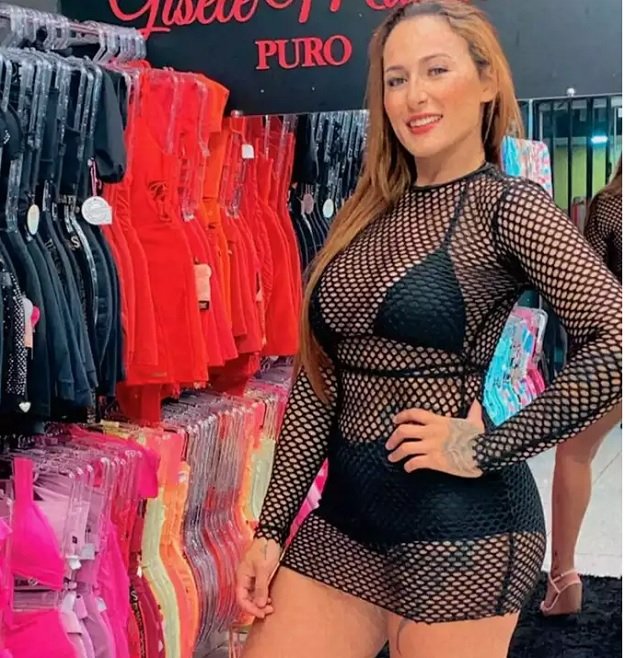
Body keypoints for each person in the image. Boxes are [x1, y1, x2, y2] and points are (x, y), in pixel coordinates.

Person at [236, 2, 622, 656]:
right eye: (396, 79)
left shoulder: (508, 206)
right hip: (346, 528)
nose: (413, 94)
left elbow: (616, 342)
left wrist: (488, 447)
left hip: (464, 533)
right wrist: (271, 530)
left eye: (435, 70)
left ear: (486, 81)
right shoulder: (362, 213)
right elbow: (318, 382)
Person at [541, 157, 622, 616]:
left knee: (574, 451)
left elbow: (583, 292)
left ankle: (563, 577)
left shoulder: (610, 205)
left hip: (613, 352)